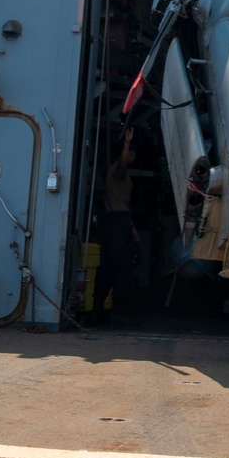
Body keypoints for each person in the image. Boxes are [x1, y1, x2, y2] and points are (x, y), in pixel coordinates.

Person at [93, 128, 139, 323]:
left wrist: (132, 228)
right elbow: (121, 163)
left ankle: (99, 307)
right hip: (117, 223)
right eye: (132, 154)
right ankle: (118, 310)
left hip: (117, 222)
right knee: (121, 267)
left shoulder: (120, 176)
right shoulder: (117, 172)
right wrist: (127, 143)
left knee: (108, 266)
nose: (133, 157)